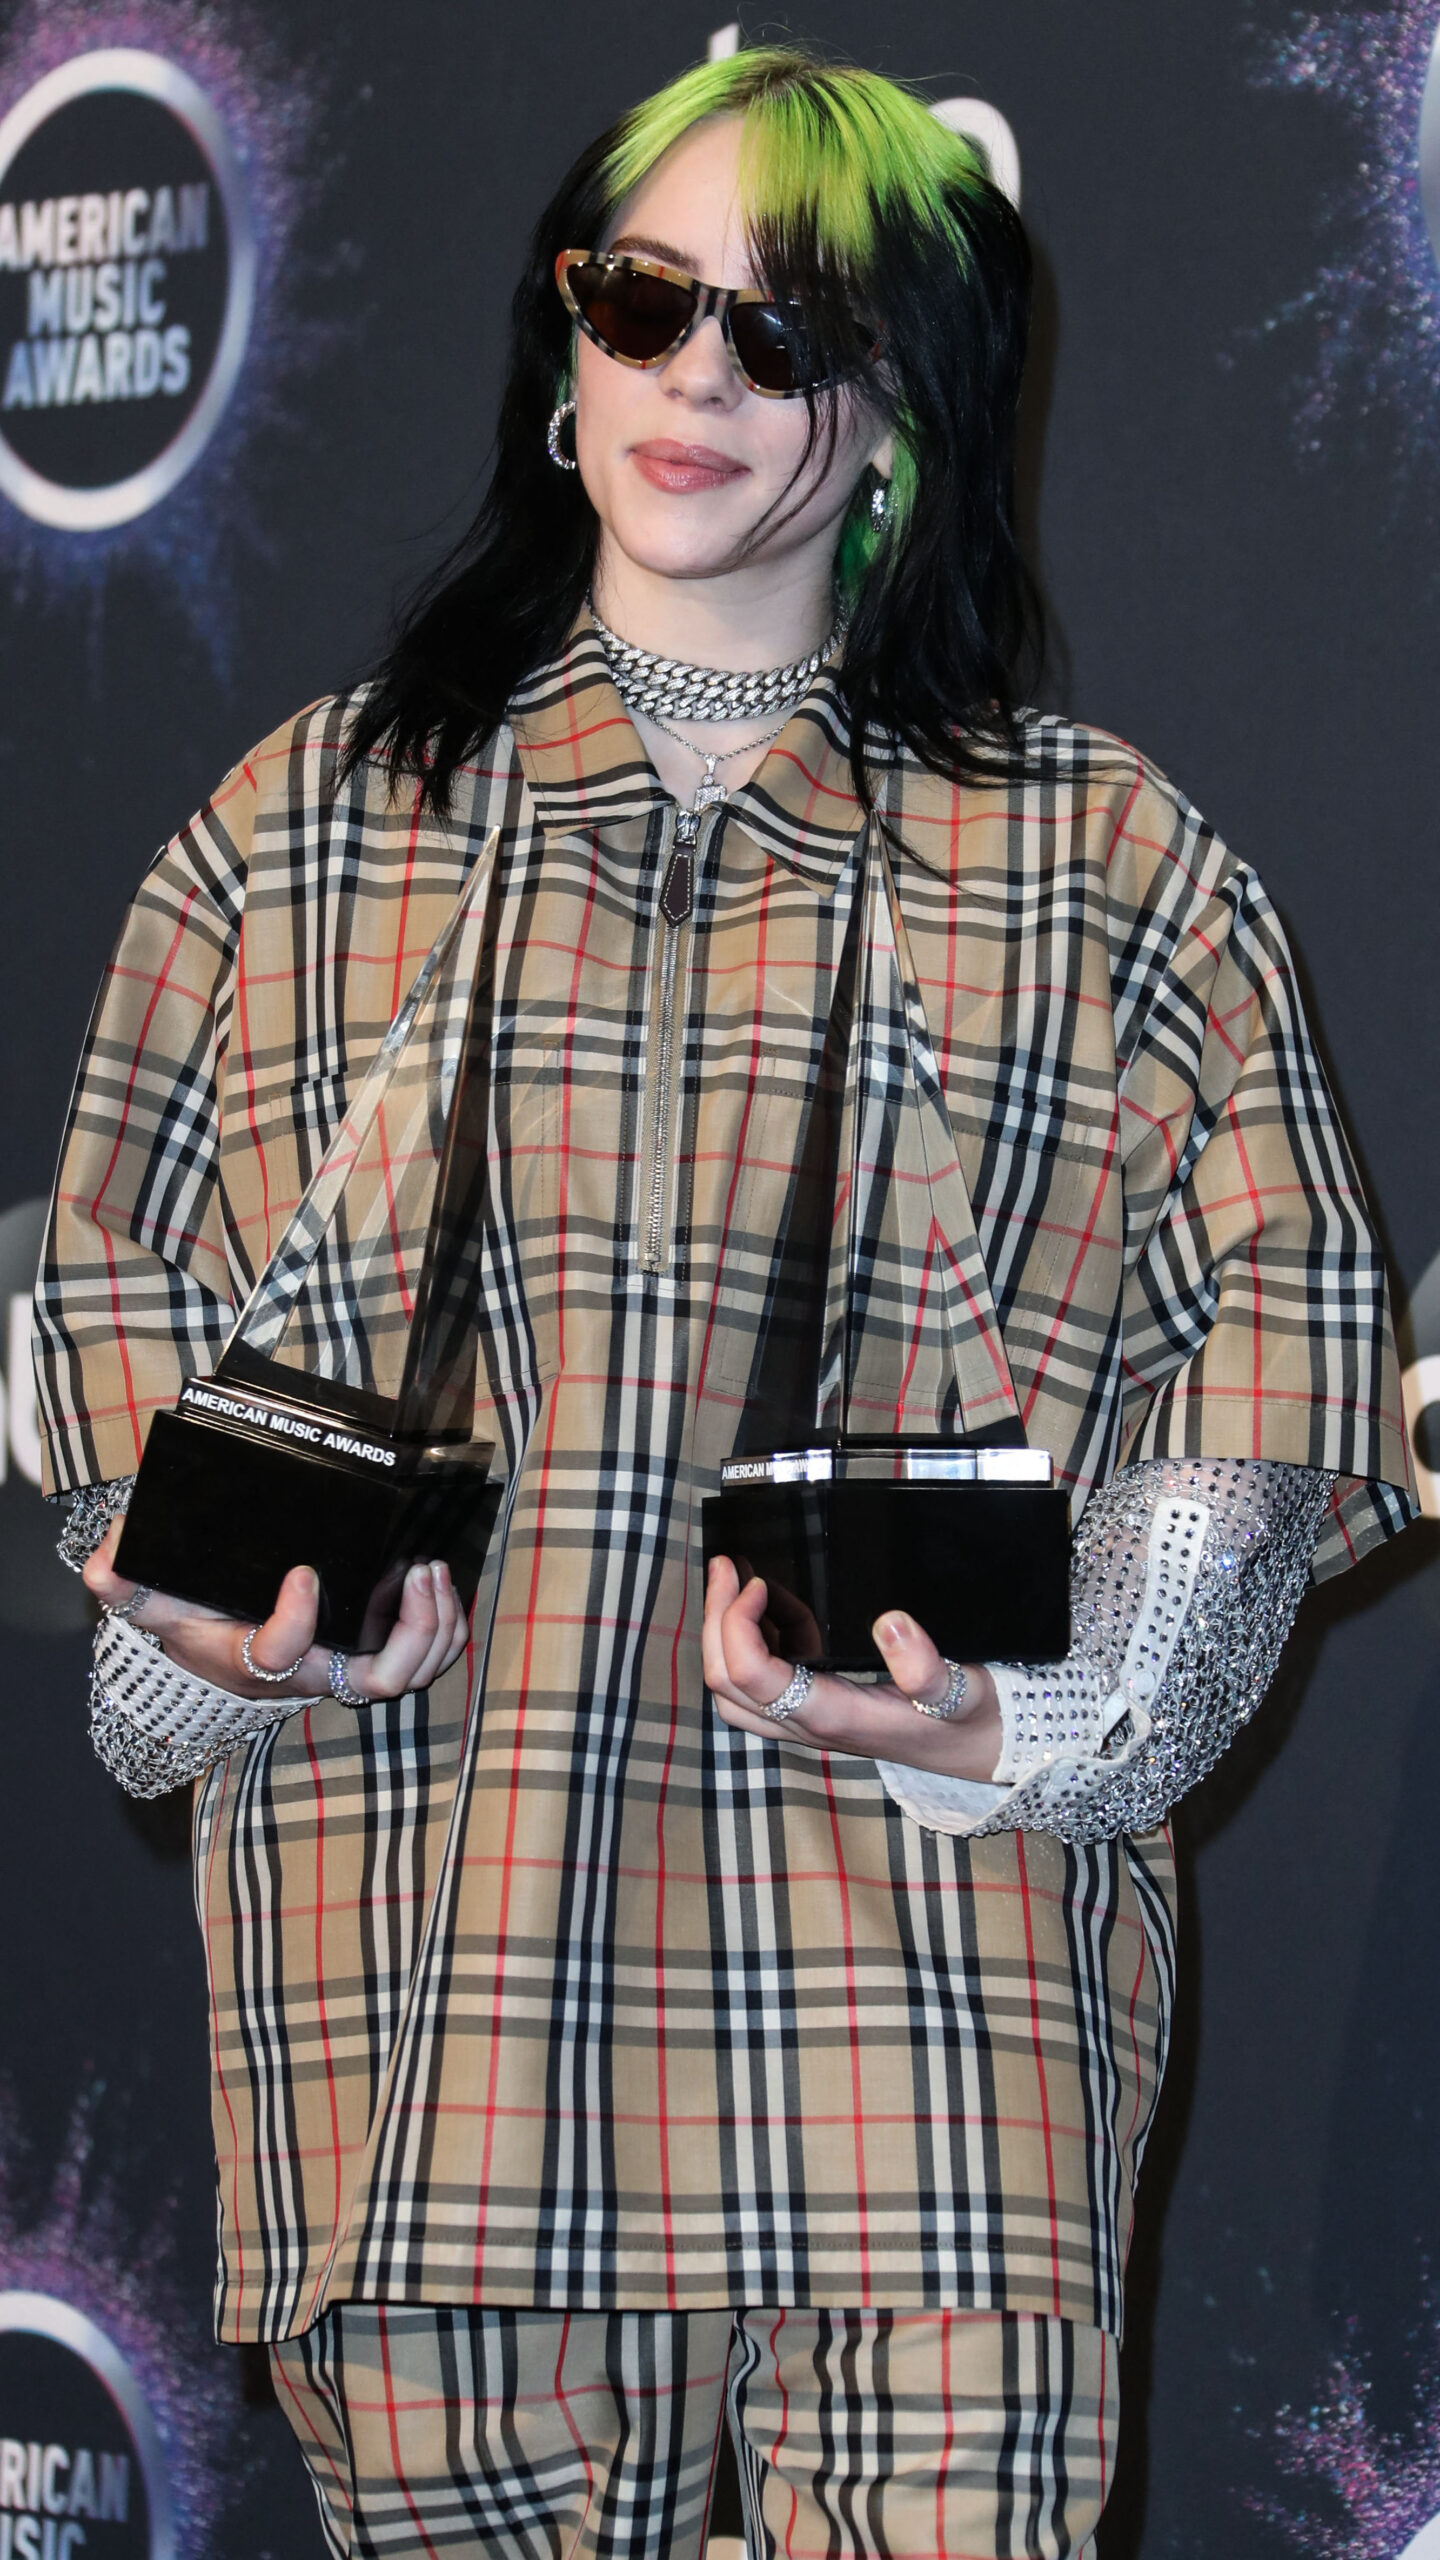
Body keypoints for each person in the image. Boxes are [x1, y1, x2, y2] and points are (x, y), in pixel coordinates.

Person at [35, 46, 1416, 2560]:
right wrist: (207, 1628)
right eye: (645, 298)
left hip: (932, 2062)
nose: (696, 373)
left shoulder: (1111, 871)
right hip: (429, 2050)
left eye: (786, 329)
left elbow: (1257, 1420)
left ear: (900, 398)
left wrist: (1041, 1712)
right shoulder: (292, 846)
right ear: (560, 348)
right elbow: (137, 1513)